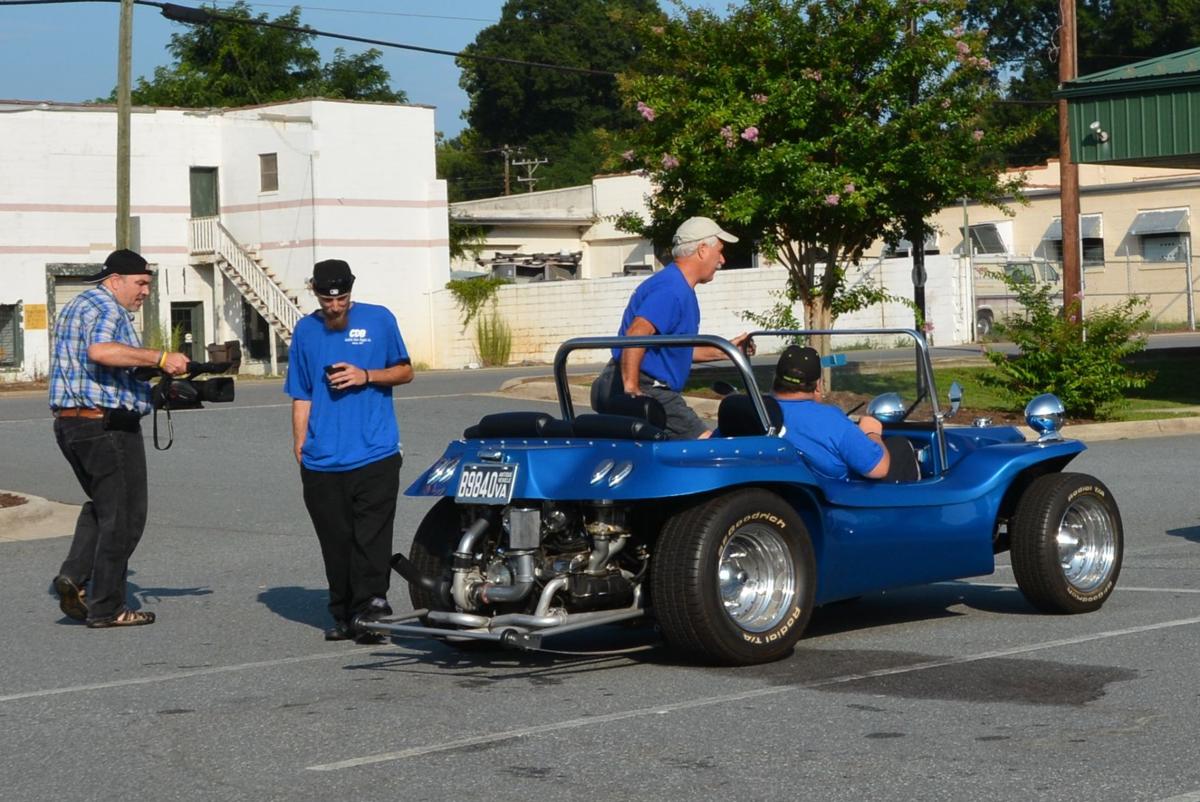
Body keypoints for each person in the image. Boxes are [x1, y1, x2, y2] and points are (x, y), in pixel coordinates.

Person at [49, 248, 190, 628]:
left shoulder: (78, 306)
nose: (145, 291)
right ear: (115, 280)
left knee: (105, 505)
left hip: (71, 424)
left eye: (148, 283)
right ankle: (107, 607)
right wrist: (160, 358)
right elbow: (101, 351)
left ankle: (74, 577)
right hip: (106, 427)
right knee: (125, 517)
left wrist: (148, 382)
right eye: (140, 283)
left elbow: (98, 364)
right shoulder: (107, 307)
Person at [285, 259, 414, 644]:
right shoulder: (305, 330)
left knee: (371, 537)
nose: (335, 306)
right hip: (323, 459)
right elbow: (301, 393)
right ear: (316, 293)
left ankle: (371, 610)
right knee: (336, 541)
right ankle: (343, 614)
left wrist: (367, 375)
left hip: (375, 452)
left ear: (350, 292)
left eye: (341, 298)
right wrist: (300, 444)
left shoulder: (379, 319)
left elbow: (405, 371)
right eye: (327, 299)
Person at [590, 216, 755, 439]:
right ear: (703, 250)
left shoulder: (676, 285)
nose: (723, 260)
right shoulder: (672, 289)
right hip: (647, 386)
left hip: (639, 383)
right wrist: (632, 389)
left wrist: (728, 350)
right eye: (720, 251)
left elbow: (674, 349)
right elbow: (637, 332)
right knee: (706, 445)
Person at [771, 345, 904, 481]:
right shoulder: (829, 419)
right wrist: (872, 433)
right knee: (900, 446)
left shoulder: (759, 412)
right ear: (818, 385)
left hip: (780, 493)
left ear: (775, 379)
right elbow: (879, 469)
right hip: (839, 497)